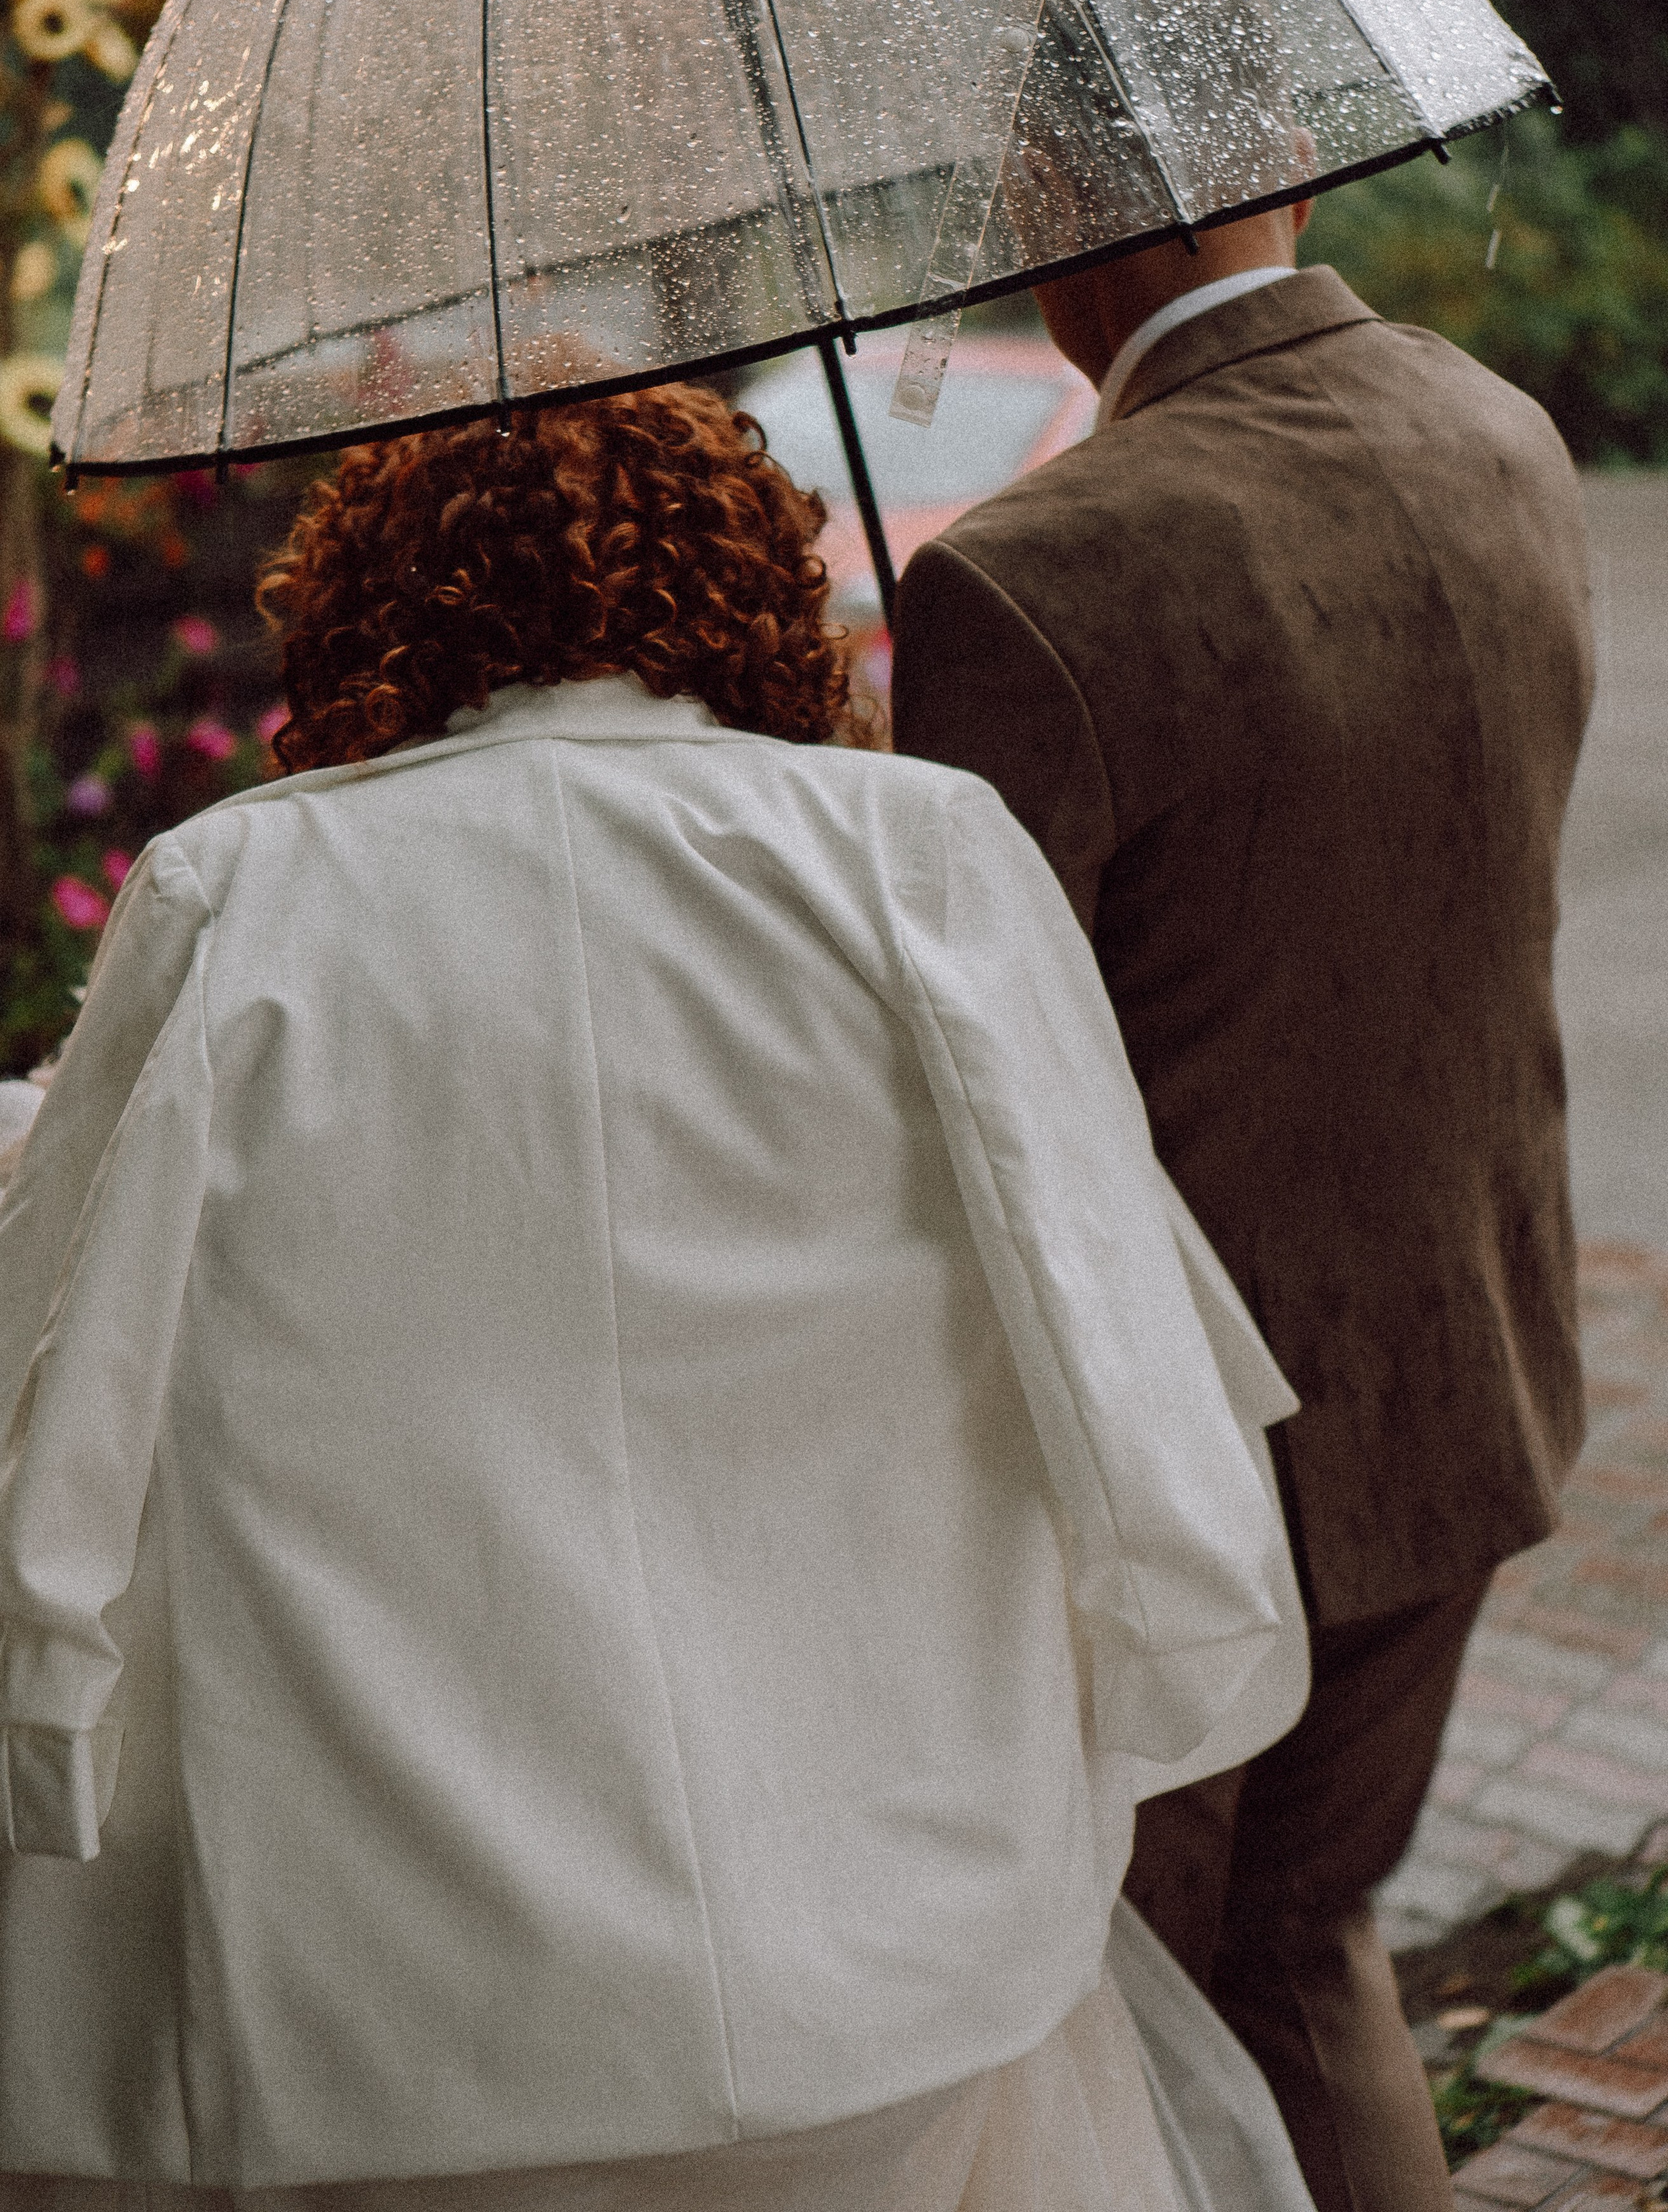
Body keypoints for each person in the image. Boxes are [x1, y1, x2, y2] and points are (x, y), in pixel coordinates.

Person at [0, 386, 1316, 2211]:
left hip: (401, 1976)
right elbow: (1122, 1343)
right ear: (748, 590)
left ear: (373, 605)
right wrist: (1159, 1653)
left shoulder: (240, 894)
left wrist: (50, 1722)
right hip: (889, 1916)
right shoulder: (922, 856)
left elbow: (56, 1368)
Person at [889, 196, 1593, 2212]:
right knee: (1314, 1947)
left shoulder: (1028, 579)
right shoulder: (1500, 435)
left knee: (1179, 1995)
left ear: (1056, 229)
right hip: (1475, 1370)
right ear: (1276, 161)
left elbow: (963, 1082)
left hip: (1204, 1466)